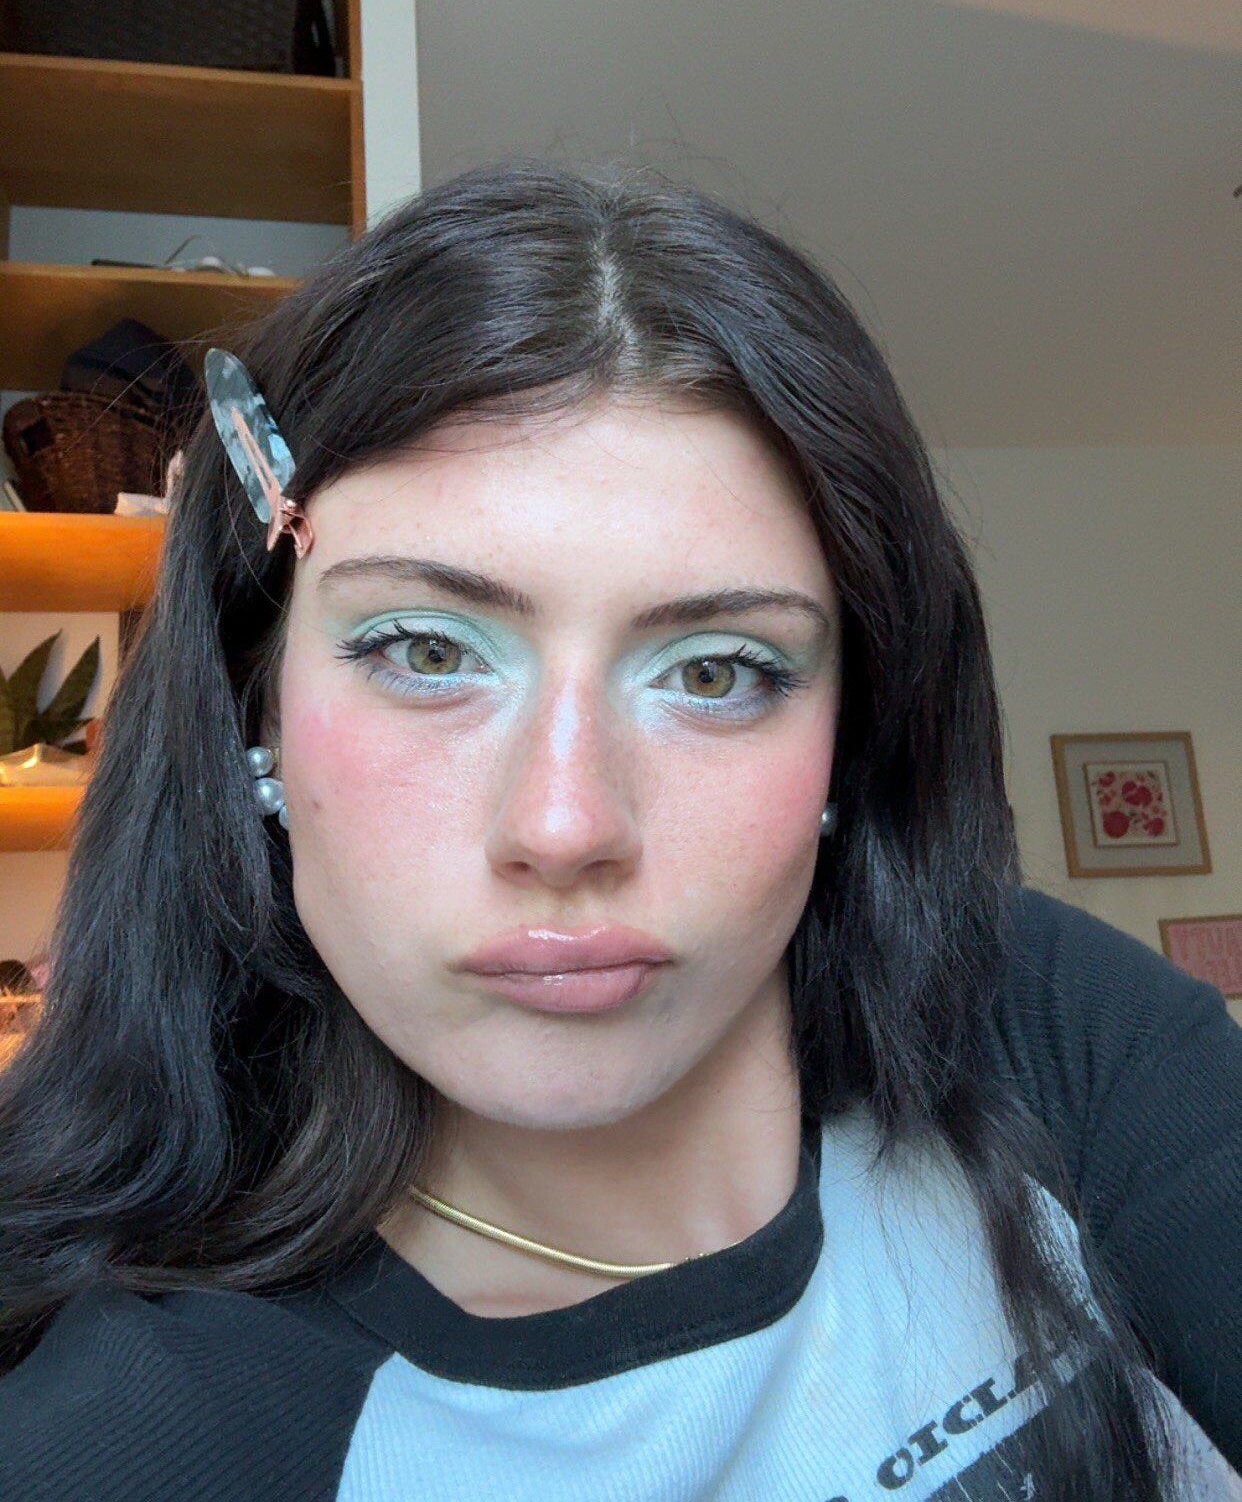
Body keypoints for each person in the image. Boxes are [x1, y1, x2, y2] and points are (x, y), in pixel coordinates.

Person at [0, 162, 1237, 1502]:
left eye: (715, 670)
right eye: (425, 649)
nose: (564, 824)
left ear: (850, 737)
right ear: (260, 718)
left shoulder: (1035, 1017)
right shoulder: (139, 1440)